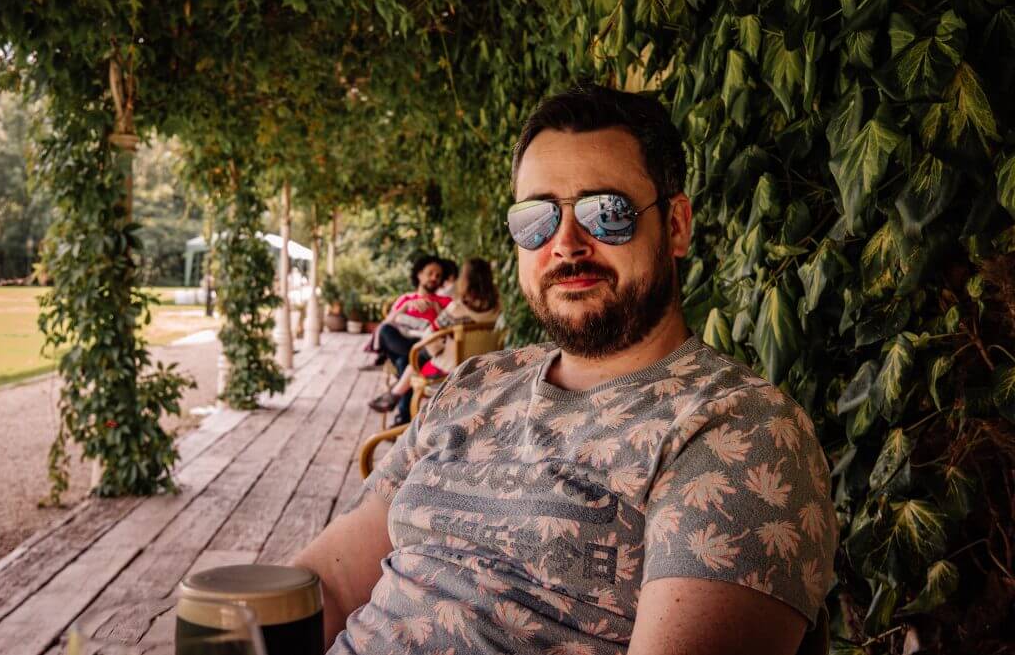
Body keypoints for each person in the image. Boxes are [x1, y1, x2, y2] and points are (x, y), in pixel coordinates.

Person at [294, 84, 837, 655]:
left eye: (608, 213)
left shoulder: (737, 430)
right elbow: (327, 584)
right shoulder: (475, 383)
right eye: (538, 218)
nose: (566, 244)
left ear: (676, 225)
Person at [369, 258, 500, 423]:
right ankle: (395, 397)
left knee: (415, 357)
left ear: (465, 281)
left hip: (450, 368)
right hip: (486, 364)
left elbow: (431, 338)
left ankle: (395, 395)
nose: (434, 278)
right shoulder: (498, 308)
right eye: (430, 273)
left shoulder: (456, 308)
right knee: (409, 354)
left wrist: (435, 343)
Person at [371, 255, 451, 380]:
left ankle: (405, 377)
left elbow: (449, 329)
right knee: (385, 330)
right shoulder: (405, 299)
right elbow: (386, 324)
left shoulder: (445, 301)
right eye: (430, 273)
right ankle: (412, 362)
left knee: (402, 362)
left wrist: (436, 307)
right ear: (419, 274)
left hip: (428, 344)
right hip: (404, 341)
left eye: (438, 275)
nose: (434, 278)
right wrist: (406, 306)